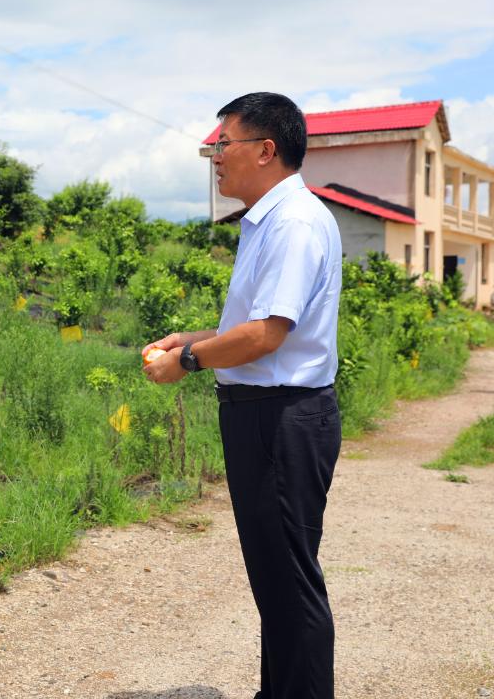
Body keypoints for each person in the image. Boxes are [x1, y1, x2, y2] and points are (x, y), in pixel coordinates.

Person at [144, 92, 343, 699]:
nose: (214, 156)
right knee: (278, 579)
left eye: (223, 142)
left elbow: (267, 334)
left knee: (290, 583)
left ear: (266, 150)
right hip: (269, 415)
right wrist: (193, 336)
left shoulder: (294, 222)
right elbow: (259, 324)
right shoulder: (267, 221)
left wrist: (188, 360)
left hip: (281, 418)